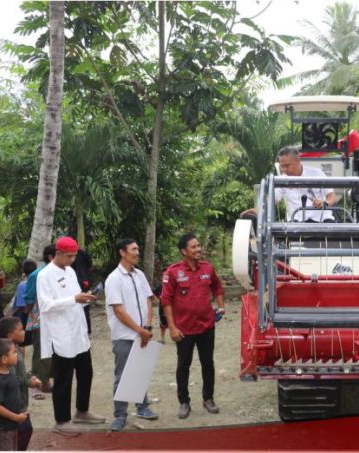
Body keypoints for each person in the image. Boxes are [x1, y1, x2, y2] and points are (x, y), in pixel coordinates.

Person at [36, 236, 104, 433]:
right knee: (64, 377)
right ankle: (61, 420)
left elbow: (75, 299)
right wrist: (74, 298)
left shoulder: (71, 271)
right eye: (69, 256)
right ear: (57, 253)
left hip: (78, 331)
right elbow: (46, 305)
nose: (72, 260)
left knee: (86, 372)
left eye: (74, 256)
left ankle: (82, 411)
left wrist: (86, 297)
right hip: (61, 333)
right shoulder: (45, 275)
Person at [161, 232, 225, 419]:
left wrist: (221, 307)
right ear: (184, 251)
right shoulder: (173, 272)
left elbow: (218, 287)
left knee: (208, 363)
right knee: (183, 365)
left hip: (206, 326)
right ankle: (184, 402)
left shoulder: (207, 268)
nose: (198, 249)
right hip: (184, 329)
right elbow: (166, 301)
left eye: (198, 246)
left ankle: (208, 399)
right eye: (194, 247)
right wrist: (172, 327)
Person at [104, 238, 158, 432]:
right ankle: (120, 415)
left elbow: (148, 301)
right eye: (133, 249)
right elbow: (119, 311)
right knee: (122, 375)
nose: (137, 252)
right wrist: (139, 330)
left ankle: (142, 407)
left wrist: (148, 327)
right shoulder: (113, 279)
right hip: (124, 335)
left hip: (142, 332)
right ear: (122, 252)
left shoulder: (139, 275)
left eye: (137, 249)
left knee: (140, 370)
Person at [240, 146, 337, 222]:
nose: (284, 170)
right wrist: (257, 210)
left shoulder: (317, 173)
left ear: (298, 161)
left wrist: (325, 203)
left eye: (287, 166)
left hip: (323, 220)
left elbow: (332, 196)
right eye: (282, 167)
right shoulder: (282, 180)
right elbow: (272, 200)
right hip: (297, 222)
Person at [0, 317, 41, 450]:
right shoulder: (8, 355)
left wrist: (29, 376)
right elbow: (12, 378)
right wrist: (29, 382)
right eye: (20, 330)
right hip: (12, 404)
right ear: (10, 336)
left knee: (23, 431)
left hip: (19, 402)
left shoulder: (16, 350)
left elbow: (21, 372)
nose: (24, 332)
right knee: (22, 431)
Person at [24, 244, 55, 398]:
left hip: (56, 317)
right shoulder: (36, 274)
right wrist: (30, 314)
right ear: (51, 257)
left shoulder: (61, 272)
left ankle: (46, 382)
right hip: (40, 316)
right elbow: (29, 298)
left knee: (53, 349)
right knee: (40, 349)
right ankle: (36, 385)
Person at [0, 338, 26, 451]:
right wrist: (16, 417)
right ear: (4, 359)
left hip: (13, 424)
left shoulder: (9, 372)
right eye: (14, 352)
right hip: (4, 427)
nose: (17, 354)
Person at [10, 260, 37, 339]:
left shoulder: (22, 285)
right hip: (36, 315)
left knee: (22, 339)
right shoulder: (38, 282)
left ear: (24, 271)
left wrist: (13, 312)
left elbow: (21, 305)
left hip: (25, 315)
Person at [71, 248, 93, 335]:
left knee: (83, 305)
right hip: (84, 280)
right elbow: (90, 264)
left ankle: (85, 330)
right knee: (85, 306)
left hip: (79, 280)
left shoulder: (73, 253)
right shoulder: (82, 252)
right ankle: (87, 330)